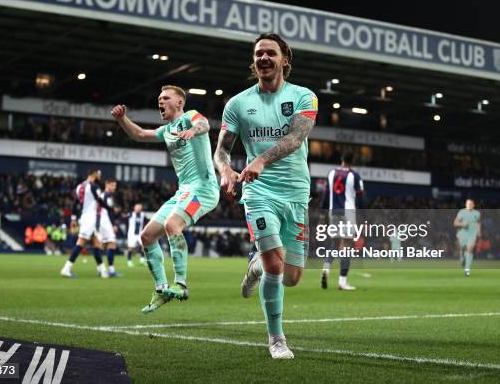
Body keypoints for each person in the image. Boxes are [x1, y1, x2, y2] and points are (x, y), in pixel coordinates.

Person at [214, 33, 317, 360]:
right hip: (258, 191)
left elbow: (296, 138)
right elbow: (221, 151)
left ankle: (255, 267)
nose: (263, 58)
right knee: (276, 264)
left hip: (297, 193)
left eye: (270, 53)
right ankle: (277, 339)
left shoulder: (305, 97)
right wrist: (226, 171)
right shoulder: (238, 104)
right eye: (258, 54)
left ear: (285, 60)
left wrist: (260, 159)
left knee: (292, 277)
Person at [111, 85, 219, 313]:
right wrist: (123, 119)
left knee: (172, 225)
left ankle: (180, 284)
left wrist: (193, 131)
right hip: (184, 191)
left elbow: (205, 124)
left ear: (179, 103)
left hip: (204, 188)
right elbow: (139, 134)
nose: (160, 101)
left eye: (166, 98)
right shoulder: (166, 130)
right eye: (159, 98)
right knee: (147, 236)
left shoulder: (190, 117)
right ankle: (161, 288)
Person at [320, 151, 364, 291]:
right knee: (347, 246)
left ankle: (326, 269)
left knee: (334, 243)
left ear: (341, 159)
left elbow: (326, 196)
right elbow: (361, 198)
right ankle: (342, 282)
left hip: (333, 212)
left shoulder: (331, 173)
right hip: (348, 213)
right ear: (352, 161)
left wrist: (322, 214)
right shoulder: (355, 176)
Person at [60, 169, 109, 278]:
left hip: (84, 217)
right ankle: (66, 268)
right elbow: (100, 201)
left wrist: (73, 219)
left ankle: (102, 270)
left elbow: (75, 204)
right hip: (91, 219)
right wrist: (110, 207)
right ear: (94, 174)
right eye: (99, 174)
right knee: (81, 243)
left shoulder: (79, 186)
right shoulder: (94, 187)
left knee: (97, 244)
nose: (100, 176)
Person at [98, 178, 120, 277]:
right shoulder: (107, 196)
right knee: (112, 244)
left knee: (101, 246)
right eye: (112, 185)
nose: (114, 187)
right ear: (106, 184)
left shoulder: (103, 195)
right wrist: (113, 224)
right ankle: (111, 270)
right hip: (105, 223)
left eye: (115, 185)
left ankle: (100, 268)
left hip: (101, 223)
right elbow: (110, 212)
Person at [454, 198, 481, 276]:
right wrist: (463, 224)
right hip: (463, 233)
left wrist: (479, 231)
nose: (469, 205)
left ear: (474, 205)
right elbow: (455, 223)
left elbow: (478, 223)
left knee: (469, 249)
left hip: (472, 233)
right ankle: (462, 259)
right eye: (468, 204)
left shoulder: (477, 213)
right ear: (466, 205)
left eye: (471, 204)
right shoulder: (461, 212)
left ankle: (467, 270)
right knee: (462, 250)